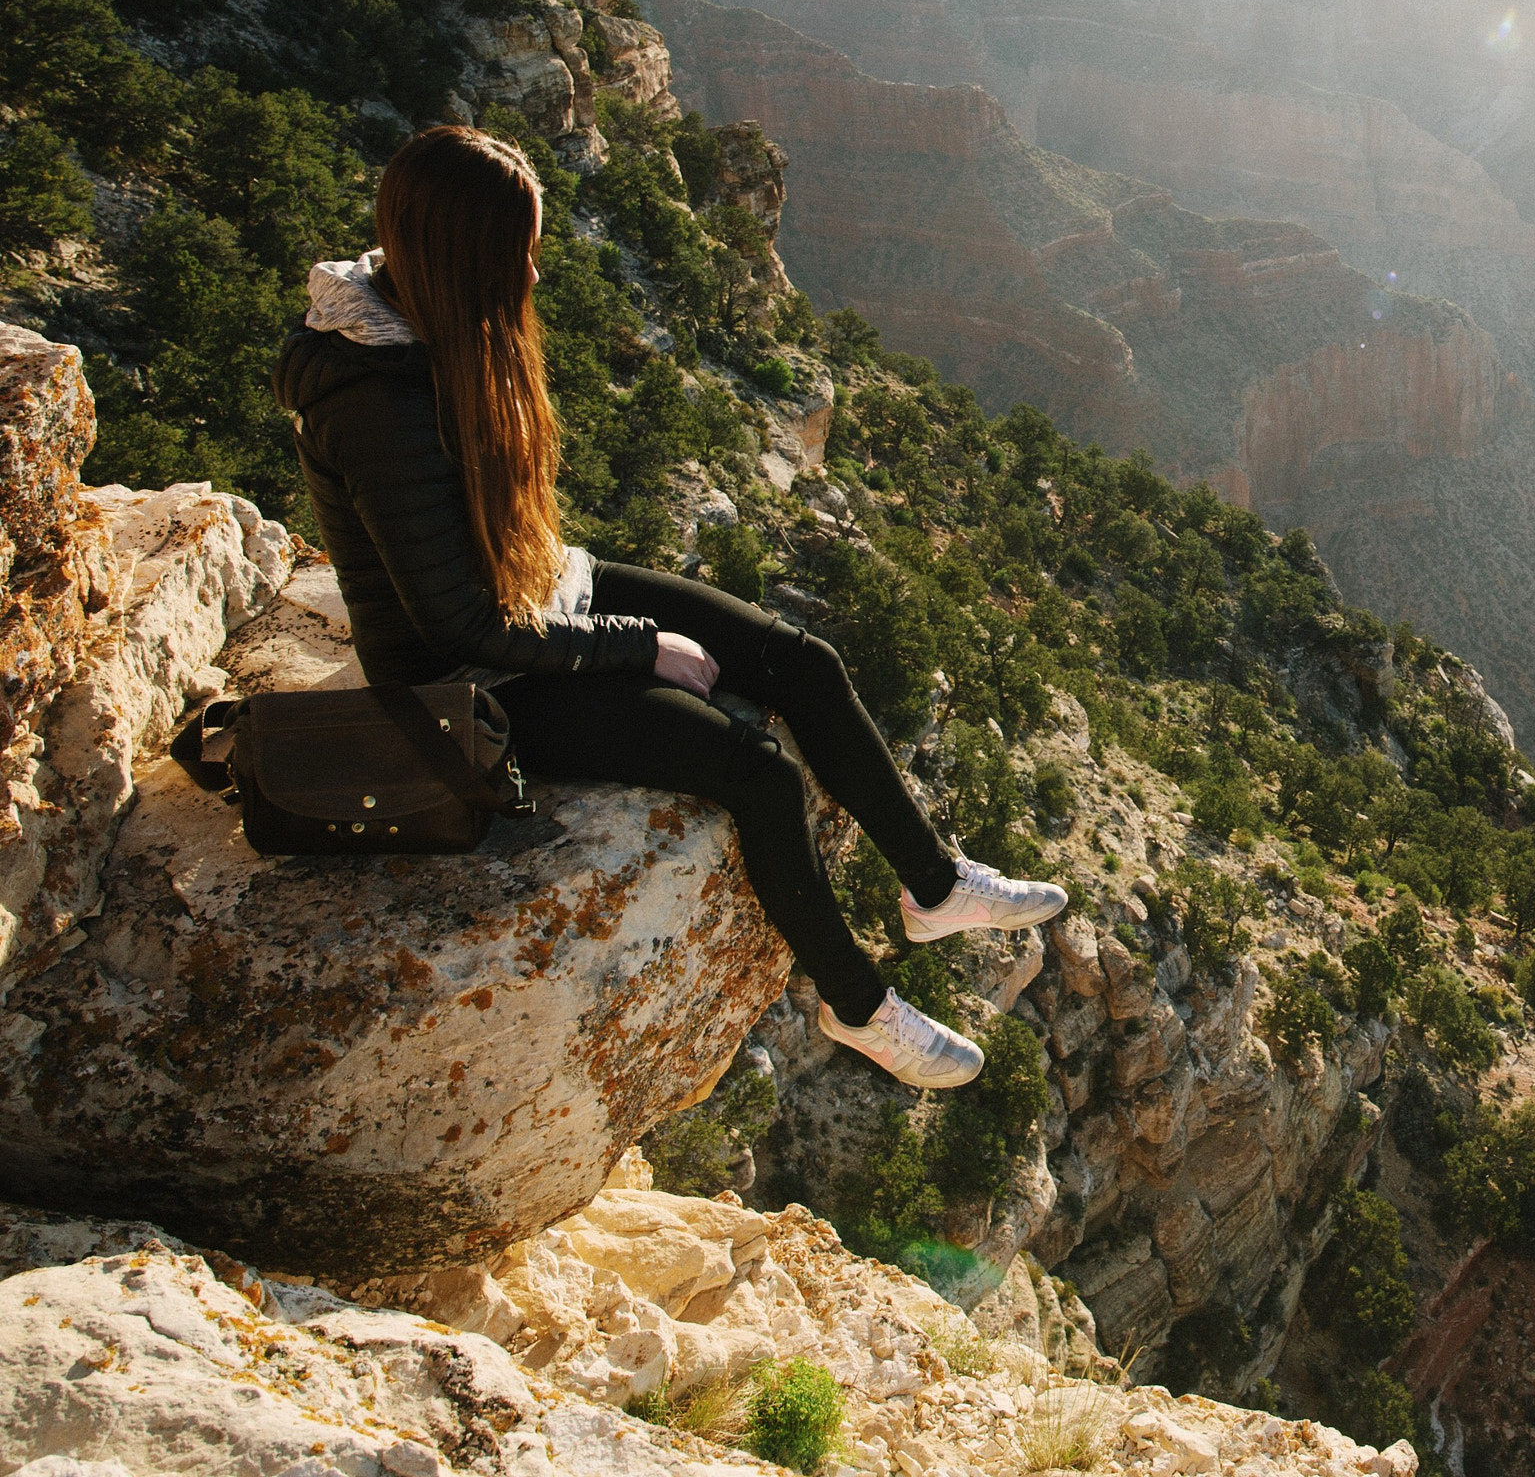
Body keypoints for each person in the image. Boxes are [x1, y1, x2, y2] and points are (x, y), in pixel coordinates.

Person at [272, 124, 1065, 1087]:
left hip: (539, 586)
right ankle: (860, 1009)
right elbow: (458, 626)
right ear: (460, 262)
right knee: (757, 771)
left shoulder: (423, 318)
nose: (530, 273)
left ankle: (934, 887)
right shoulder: (374, 401)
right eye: (516, 254)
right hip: (474, 677)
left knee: (802, 664)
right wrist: (636, 647)